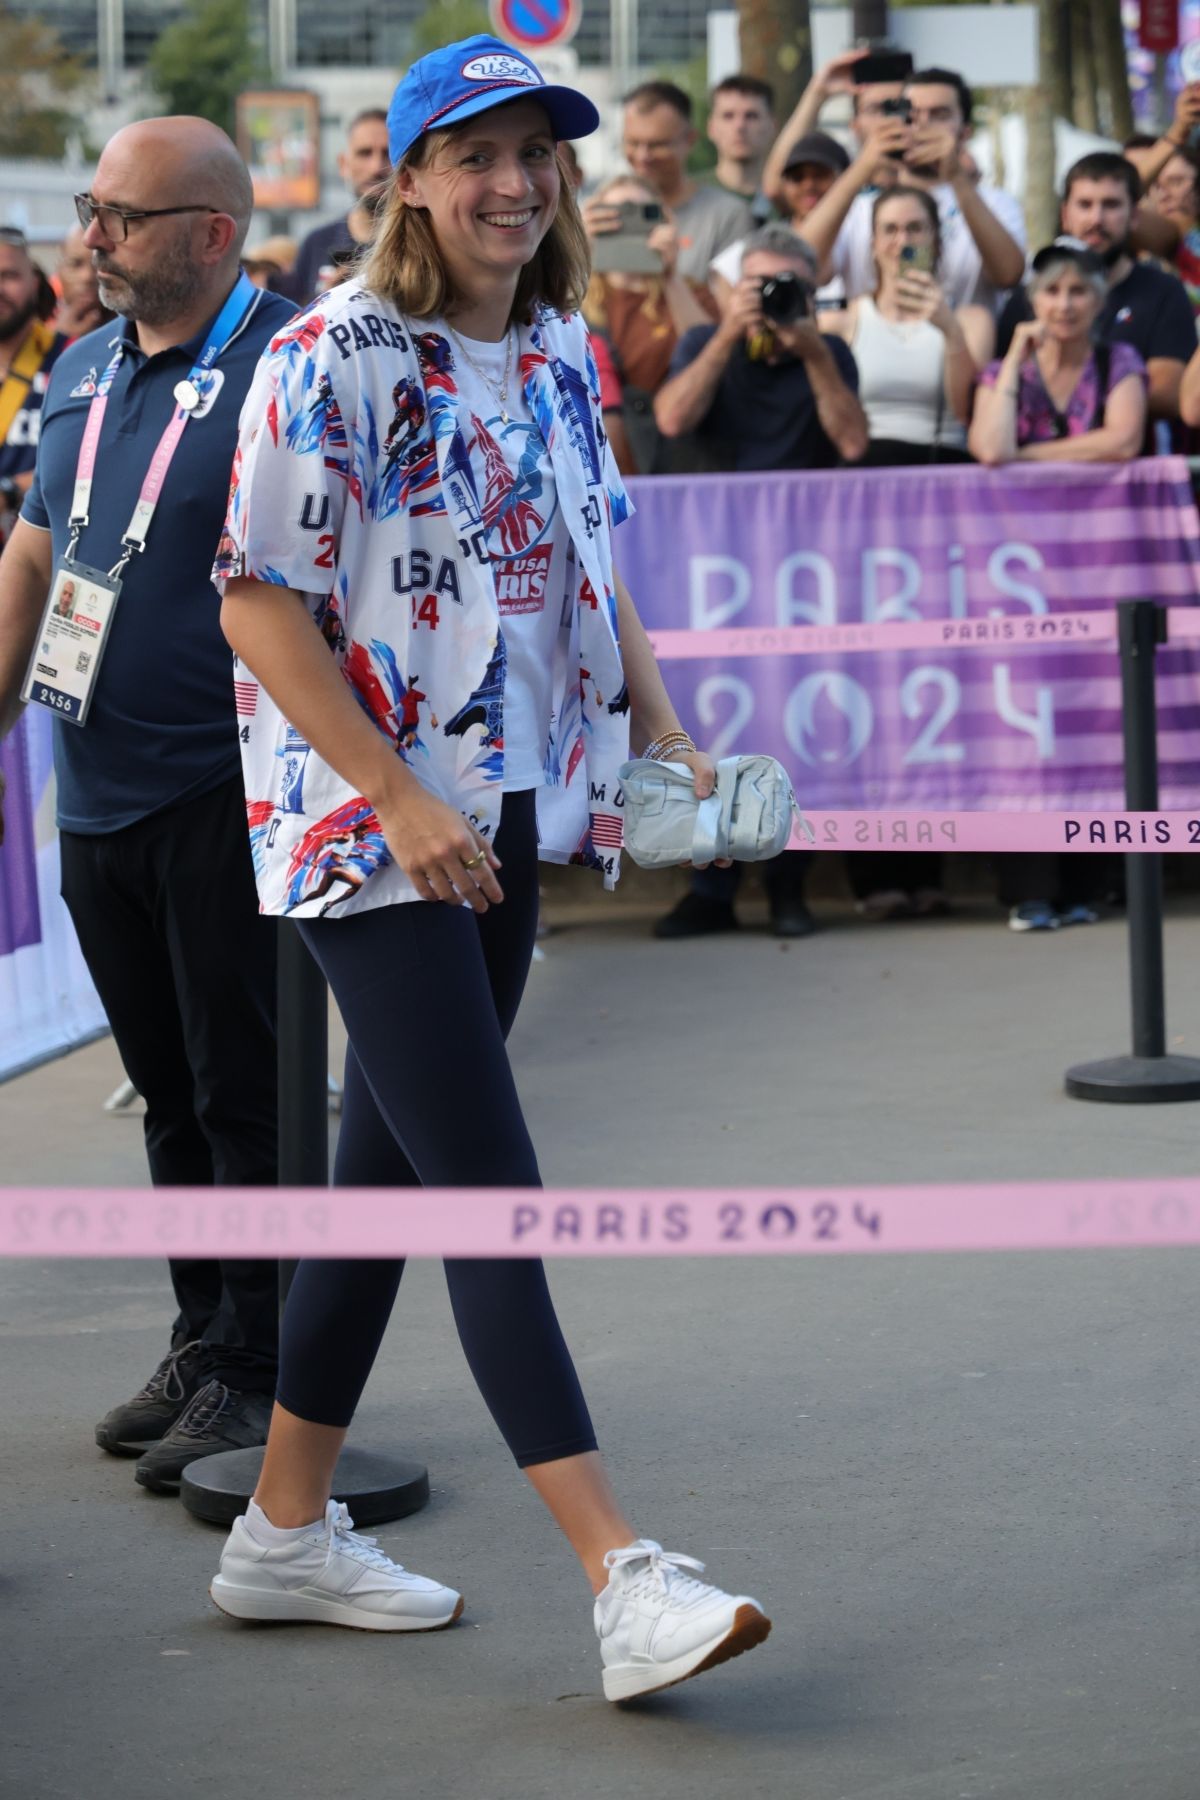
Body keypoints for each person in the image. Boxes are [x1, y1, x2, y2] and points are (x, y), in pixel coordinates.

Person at [206, 35, 771, 1703]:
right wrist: (393, 796)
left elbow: (592, 573)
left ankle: (283, 1530)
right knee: (490, 1192)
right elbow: (255, 600)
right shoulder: (334, 355)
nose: (513, 186)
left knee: (390, 1192)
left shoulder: (554, 351)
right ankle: (623, 1575)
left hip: (505, 812)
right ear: (402, 173)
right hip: (372, 828)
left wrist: (665, 737)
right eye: (477, 156)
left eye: (537, 155)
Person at [0, 118, 295, 1487]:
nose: (91, 236)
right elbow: (39, 550)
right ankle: (203, 1335)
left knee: (251, 1099)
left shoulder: (289, 367)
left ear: (212, 233)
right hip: (99, 793)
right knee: (168, 1096)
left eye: (119, 214)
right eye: (91, 207)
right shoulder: (76, 371)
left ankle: (265, 1369)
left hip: (229, 795)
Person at [653, 224, 867, 940]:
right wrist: (726, 335)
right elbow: (673, 416)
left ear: (812, 292)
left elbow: (852, 442)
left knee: (794, 727)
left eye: (788, 288)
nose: (775, 300)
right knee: (704, 727)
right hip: (711, 571)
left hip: (804, 574)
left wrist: (809, 350)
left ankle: (787, 885)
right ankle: (709, 893)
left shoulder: (828, 352)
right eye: (761, 287)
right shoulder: (700, 345)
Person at [971, 237, 1147, 933]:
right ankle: (1030, 887)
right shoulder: (1003, 369)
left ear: (1098, 302)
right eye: (1051, 292)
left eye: (1078, 292)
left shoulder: (1118, 361)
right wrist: (1015, 356)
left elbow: (1123, 440)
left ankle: (1086, 883)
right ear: (1032, 302)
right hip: (1018, 571)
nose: (1064, 305)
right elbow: (988, 448)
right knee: (1024, 722)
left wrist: (1029, 457)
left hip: (1105, 565)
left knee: (1097, 717)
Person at [996, 155, 1196, 436]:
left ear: (1135, 216)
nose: (1096, 219)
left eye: (1111, 205)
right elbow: (996, 384)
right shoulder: (1029, 296)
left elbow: (1166, 392)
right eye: (1085, 205)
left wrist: (1059, 396)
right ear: (1065, 215)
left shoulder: (1163, 290)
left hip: (1129, 469)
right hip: (1034, 469)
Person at [800, 67, 1027, 313]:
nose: (922, 124)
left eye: (939, 114)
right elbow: (802, 265)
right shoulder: (858, 207)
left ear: (965, 132)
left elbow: (1009, 275)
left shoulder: (995, 203)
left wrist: (956, 178)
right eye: (912, 113)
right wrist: (863, 167)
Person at [820, 185, 993, 465]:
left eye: (915, 228)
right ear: (873, 243)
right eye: (890, 230)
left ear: (936, 240)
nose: (903, 242)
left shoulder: (972, 321)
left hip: (941, 463)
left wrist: (950, 331)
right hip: (866, 465)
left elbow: (966, 412)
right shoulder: (843, 322)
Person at [581, 172, 717, 473]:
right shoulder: (574, 299)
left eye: (642, 214)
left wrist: (670, 275)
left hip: (682, 459)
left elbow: (712, 355)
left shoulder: (692, 292)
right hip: (608, 465)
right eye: (614, 216)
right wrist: (578, 251)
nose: (629, 225)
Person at [588, 79, 753, 283]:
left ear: (690, 140)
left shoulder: (727, 216)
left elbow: (727, 308)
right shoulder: (601, 210)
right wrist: (579, 248)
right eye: (632, 142)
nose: (642, 156)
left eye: (657, 145)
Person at [710, 131, 851, 311]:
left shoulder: (862, 232)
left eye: (820, 175)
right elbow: (724, 273)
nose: (808, 185)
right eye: (797, 177)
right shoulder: (769, 240)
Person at [0, 228, 68, 544]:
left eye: (9, 275)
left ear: (35, 283)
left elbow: (92, 464)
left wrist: (11, 490)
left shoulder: (75, 359)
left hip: (42, 562)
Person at [286, 108, 391, 301]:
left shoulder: (424, 244)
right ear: (343, 164)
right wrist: (326, 304)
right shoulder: (315, 244)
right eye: (364, 153)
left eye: (388, 153)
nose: (376, 167)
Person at [706, 74, 777, 223]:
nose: (740, 126)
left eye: (751, 116)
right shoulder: (691, 196)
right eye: (728, 116)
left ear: (772, 126)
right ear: (711, 128)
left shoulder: (788, 199)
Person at [54, 224, 115, 340]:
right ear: (59, 269)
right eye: (75, 264)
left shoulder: (136, 332)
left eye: (98, 264)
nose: (87, 277)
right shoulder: (34, 330)